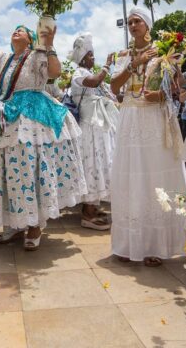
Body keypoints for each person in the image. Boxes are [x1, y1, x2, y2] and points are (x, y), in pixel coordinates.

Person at [0, 15, 85, 250]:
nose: (16, 31)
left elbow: (55, 73)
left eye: (22, 30)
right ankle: (15, 221)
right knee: (4, 166)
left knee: (28, 165)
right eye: (14, 30)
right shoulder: (3, 58)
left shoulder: (37, 55)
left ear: (30, 39)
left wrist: (49, 45)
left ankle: (35, 223)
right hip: (3, 113)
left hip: (31, 115)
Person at [109, 6, 186, 266]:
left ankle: (156, 244)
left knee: (154, 175)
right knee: (131, 177)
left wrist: (163, 95)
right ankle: (128, 243)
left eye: (137, 21)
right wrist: (136, 64)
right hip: (130, 118)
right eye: (130, 22)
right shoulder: (123, 55)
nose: (133, 26)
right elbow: (114, 86)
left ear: (148, 25)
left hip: (154, 119)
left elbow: (178, 88)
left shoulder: (164, 52)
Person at [68, 33, 118, 230]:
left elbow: (109, 89)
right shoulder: (78, 73)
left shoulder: (84, 72)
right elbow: (94, 81)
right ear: (83, 58)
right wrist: (106, 65)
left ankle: (94, 206)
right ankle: (87, 213)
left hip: (97, 127)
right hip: (89, 127)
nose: (93, 59)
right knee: (91, 164)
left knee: (99, 164)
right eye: (90, 55)